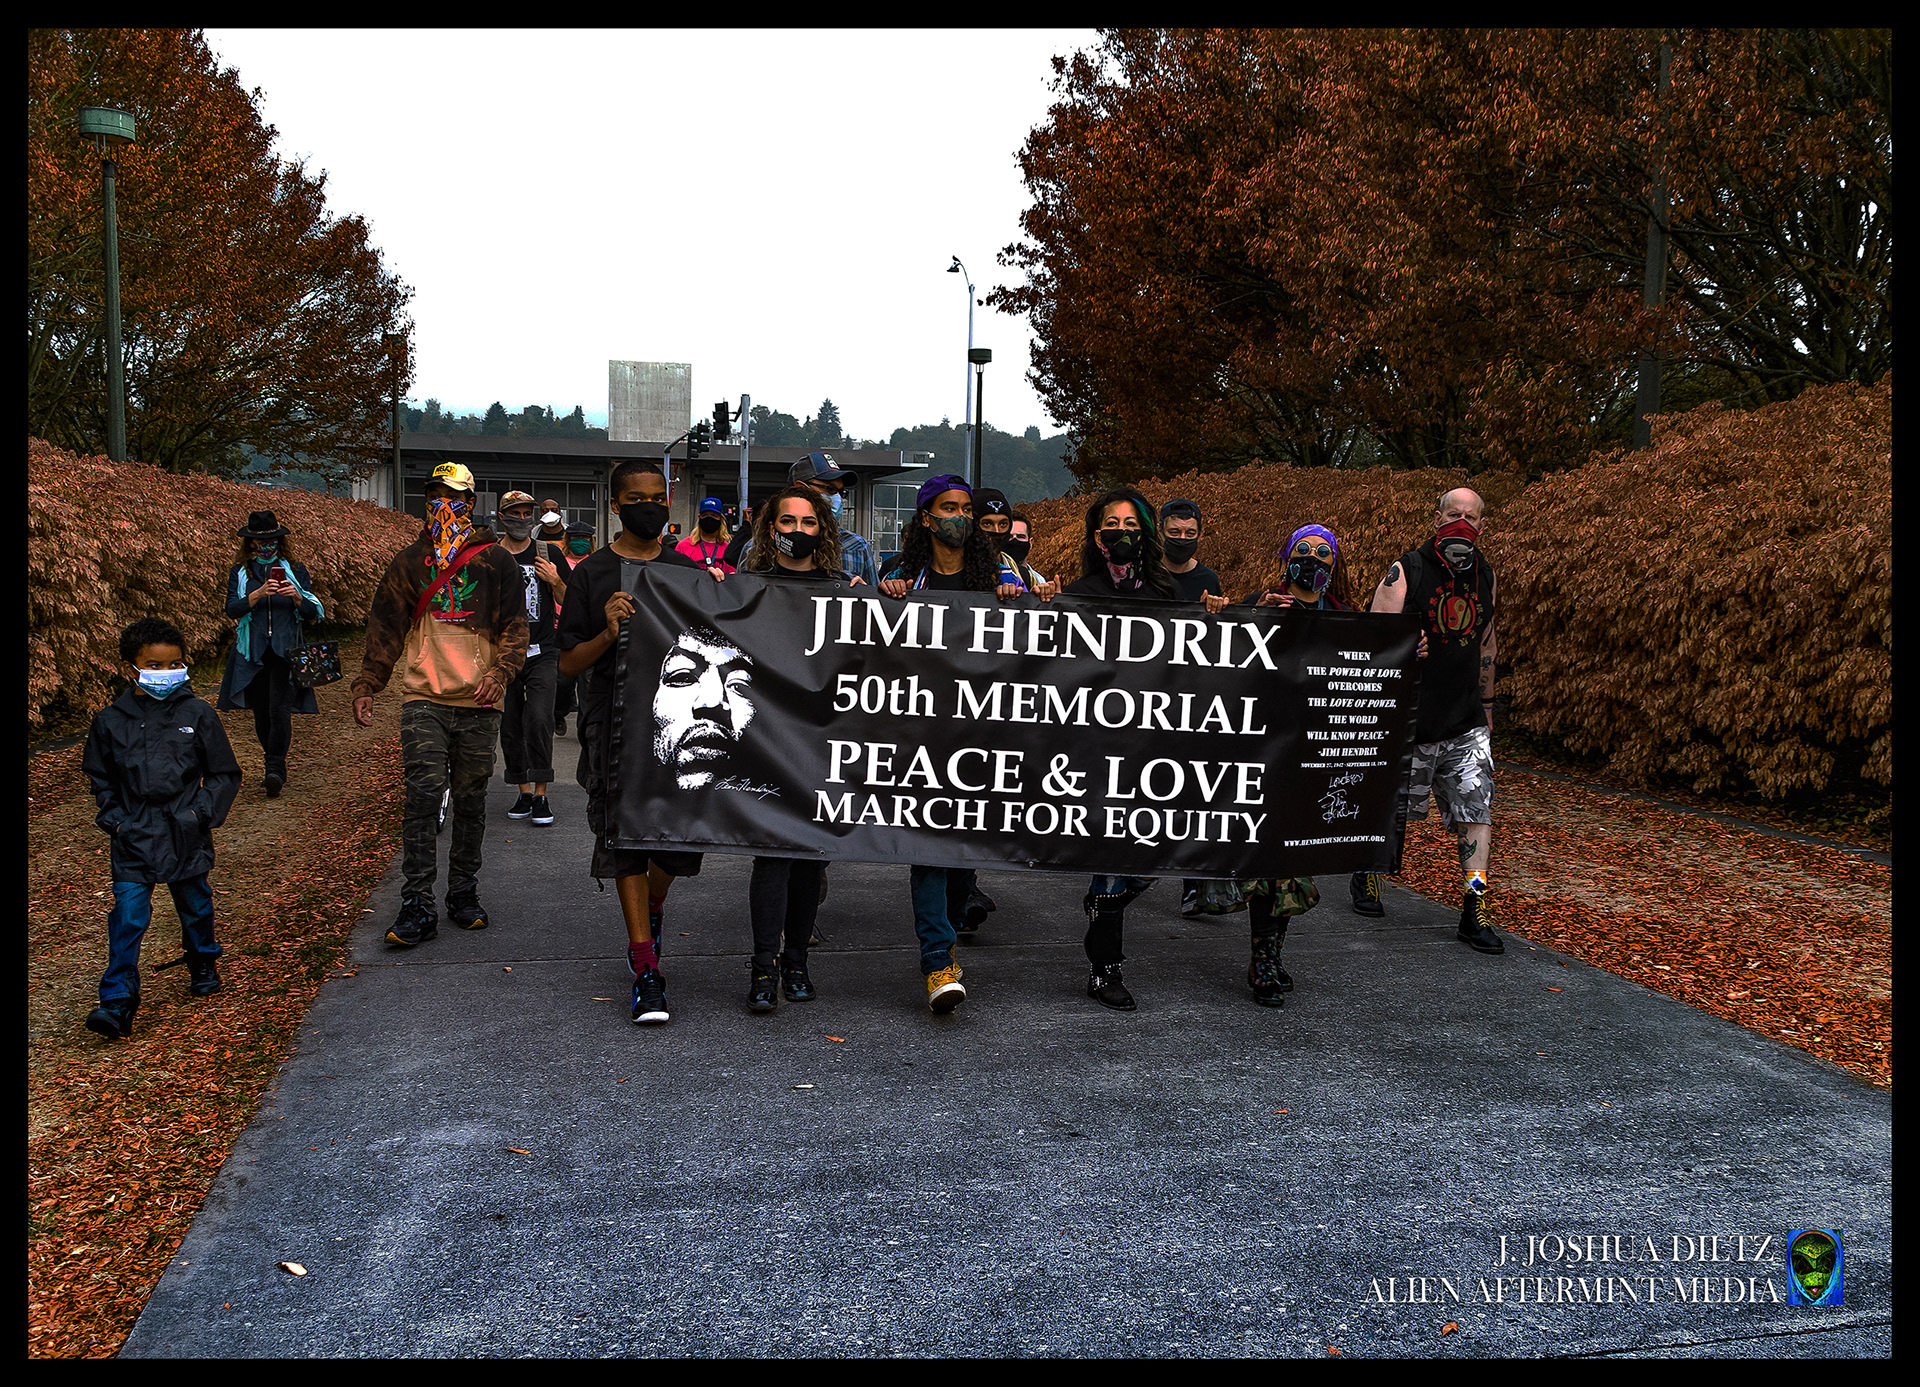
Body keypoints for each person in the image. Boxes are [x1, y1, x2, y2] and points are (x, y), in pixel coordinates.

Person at [556, 460, 725, 1027]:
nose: (650, 506)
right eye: (637, 498)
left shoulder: (684, 571)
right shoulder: (593, 573)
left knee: (676, 845)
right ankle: (645, 966)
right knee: (623, 837)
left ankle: (653, 904)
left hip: (674, 726)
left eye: (659, 497)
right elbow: (566, 662)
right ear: (616, 505)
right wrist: (608, 631)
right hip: (612, 723)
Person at [351, 461, 529, 946]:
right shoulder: (410, 562)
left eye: (452, 496)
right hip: (423, 697)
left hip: (479, 699)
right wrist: (368, 683)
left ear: (470, 503)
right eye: (433, 495)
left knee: (471, 801)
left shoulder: (497, 561)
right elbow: (385, 625)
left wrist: (500, 673)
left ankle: (463, 893)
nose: (441, 504)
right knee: (423, 797)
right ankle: (416, 903)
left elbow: (517, 626)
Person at [874, 474, 1031, 1013]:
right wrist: (884, 597)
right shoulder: (900, 576)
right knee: (929, 849)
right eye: (949, 508)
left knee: (963, 853)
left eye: (966, 508)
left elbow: (1038, 637)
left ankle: (949, 932)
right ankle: (937, 960)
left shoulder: (998, 574)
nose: (960, 517)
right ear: (926, 518)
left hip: (983, 734)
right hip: (921, 736)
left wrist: (1019, 598)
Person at [82, 617, 243, 1039]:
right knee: (129, 914)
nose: (165, 673)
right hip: (133, 834)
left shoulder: (197, 713)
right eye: (154, 665)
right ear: (130, 667)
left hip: (185, 830)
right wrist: (114, 819)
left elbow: (224, 773)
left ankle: (203, 959)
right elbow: (100, 777)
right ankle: (116, 1000)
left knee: (195, 902)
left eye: (174, 664)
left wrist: (200, 813)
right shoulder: (110, 721)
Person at [1361, 487, 1503, 953]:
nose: (1461, 523)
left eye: (1471, 516)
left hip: (1464, 722)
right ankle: (1369, 875)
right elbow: (1372, 641)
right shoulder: (1408, 569)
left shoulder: (1486, 575)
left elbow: (1486, 644)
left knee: (1477, 812)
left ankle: (1474, 909)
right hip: (1409, 719)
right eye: (1453, 514)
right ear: (1436, 519)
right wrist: (1404, 648)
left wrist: (1486, 708)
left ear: (1482, 526)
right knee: (1392, 808)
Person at [1063, 487, 1178, 1009]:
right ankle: (1104, 971)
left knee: (1154, 858)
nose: (1123, 533)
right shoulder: (1079, 592)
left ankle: (1101, 906)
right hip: (1097, 745)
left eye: (1133, 525)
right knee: (1111, 856)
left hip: (1152, 747)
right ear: (1097, 535)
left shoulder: (1166, 594)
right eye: (1113, 524)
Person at [733, 482, 845, 1011]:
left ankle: (797, 962)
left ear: (821, 529)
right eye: (787, 522)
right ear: (769, 527)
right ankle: (763, 969)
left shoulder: (844, 589)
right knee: (770, 858)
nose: (797, 531)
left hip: (822, 742)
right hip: (768, 740)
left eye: (807, 522)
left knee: (809, 860)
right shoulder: (746, 586)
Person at [216, 510, 323, 798]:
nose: (266, 547)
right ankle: (273, 763)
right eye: (259, 542)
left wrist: (297, 596)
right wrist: (258, 593)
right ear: (250, 544)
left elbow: (313, 613)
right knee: (262, 713)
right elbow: (231, 609)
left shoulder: (296, 570)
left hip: (285, 653)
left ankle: (274, 768)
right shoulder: (241, 573)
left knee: (279, 711)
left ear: (279, 541)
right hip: (253, 652)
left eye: (272, 541)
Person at [494, 491, 567, 826]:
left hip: (542, 650)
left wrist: (554, 581)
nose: (522, 520)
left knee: (539, 719)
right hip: (503, 653)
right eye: (515, 514)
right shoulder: (492, 556)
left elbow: (572, 596)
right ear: (501, 517)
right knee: (510, 725)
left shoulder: (547, 552)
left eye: (527, 514)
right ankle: (522, 790)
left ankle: (541, 794)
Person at [551, 521, 596, 737]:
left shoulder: (595, 564)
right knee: (562, 680)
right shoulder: (559, 562)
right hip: (560, 626)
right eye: (577, 538)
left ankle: (585, 727)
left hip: (588, 630)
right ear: (568, 540)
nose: (581, 542)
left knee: (588, 682)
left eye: (585, 539)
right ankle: (558, 713)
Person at [1160, 497, 1223, 605]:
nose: (1182, 538)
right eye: (1175, 532)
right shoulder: (1146, 574)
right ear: (1161, 532)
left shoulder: (1208, 579)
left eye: (1190, 534)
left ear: (1200, 535)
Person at [676, 496, 736, 573]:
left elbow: (732, 577)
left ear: (721, 519)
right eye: (705, 515)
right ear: (699, 517)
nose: (709, 519)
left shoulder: (727, 550)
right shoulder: (683, 547)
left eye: (714, 516)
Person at [1002, 510, 1053, 595]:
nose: (1015, 541)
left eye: (1020, 537)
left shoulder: (1044, 583)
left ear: (1030, 543)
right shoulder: (995, 580)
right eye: (1009, 537)